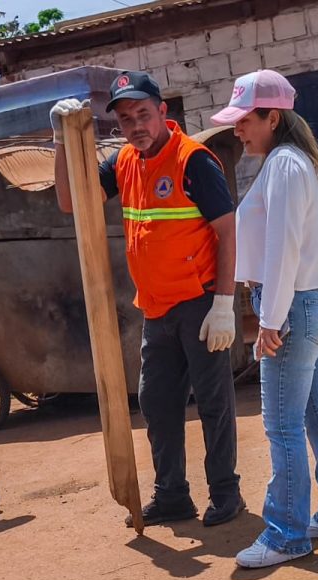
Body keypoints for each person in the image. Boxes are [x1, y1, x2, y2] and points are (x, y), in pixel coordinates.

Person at [50, 72, 244, 528]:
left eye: (142, 113)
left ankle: (225, 492)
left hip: (199, 304)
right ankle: (173, 495)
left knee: (213, 402)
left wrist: (223, 304)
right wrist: (59, 142)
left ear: (162, 112)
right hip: (156, 309)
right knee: (157, 403)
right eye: (125, 118)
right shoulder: (124, 162)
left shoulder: (193, 161)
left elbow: (228, 232)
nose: (135, 125)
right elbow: (70, 202)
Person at [211, 71, 318, 569]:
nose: (237, 130)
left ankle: (286, 534)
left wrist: (270, 319)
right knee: (316, 414)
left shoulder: (282, 165)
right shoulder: (299, 163)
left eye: (244, 120)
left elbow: (282, 251)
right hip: (314, 300)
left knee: (281, 425)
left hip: (293, 304)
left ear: (272, 117)